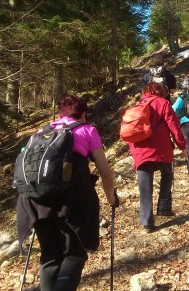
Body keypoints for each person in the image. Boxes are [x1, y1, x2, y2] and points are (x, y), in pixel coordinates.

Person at [16, 95, 119, 291]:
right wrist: (111, 198)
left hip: (35, 202)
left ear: (60, 113)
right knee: (74, 254)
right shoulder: (86, 130)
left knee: (50, 255)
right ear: (83, 114)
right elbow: (105, 172)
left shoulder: (41, 132)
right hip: (71, 202)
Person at [128, 82, 187, 233]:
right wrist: (182, 146)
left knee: (145, 187)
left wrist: (134, 152)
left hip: (140, 151)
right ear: (160, 92)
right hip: (161, 149)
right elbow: (174, 126)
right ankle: (164, 207)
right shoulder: (163, 103)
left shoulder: (136, 106)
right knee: (167, 174)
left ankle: (147, 222)